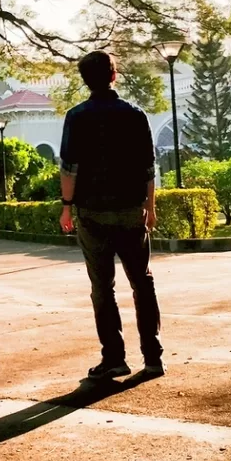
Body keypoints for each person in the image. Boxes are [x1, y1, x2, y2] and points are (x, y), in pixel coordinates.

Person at [59, 50, 164, 381]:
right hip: (132, 210)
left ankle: (114, 358)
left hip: (91, 213)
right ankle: (153, 357)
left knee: (102, 286)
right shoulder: (135, 115)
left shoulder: (76, 117)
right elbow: (149, 167)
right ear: (114, 75)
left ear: (85, 81)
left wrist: (66, 205)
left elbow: (69, 168)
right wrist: (151, 206)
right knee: (142, 282)